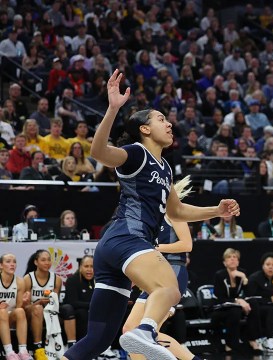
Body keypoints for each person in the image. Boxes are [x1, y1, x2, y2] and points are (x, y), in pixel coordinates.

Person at [62, 70, 240, 360]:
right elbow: (97, 151)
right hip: (127, 238)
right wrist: (113, 109)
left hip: (114, 248)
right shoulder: (135, 153)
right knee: (169, 286)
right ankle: (145, 333)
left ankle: (137, 335)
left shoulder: (165, 168)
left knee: (98, 338)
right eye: (160, 119)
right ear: (144, 129)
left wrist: (216, 211)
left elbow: (177, 211)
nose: (169, 123)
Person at [122, 176, 198, 360]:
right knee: (131, 330)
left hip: (172, 272)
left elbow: (187, 245)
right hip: (154, 274)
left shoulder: (174, 213)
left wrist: (155, 248)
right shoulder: (149, 219)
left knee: (144, 331)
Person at [212, 248, 262, 354]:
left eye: (235, 257)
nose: (232, 259)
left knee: (253, 303)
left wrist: (244, 278)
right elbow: (219, 297)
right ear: (224, 262)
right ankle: (230, 344)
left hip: (236, 306)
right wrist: (237, 301)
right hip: (221, 307)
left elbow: (249, 294)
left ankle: (252, 340)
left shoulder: (242, 273)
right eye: (229, 257)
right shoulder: (220, 275)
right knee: (235, 310)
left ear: (238, 261)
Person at [23, 249, 63, 360]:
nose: (47, 263)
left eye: (49, 260)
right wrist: (39, 302)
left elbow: (56, 304)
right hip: (30, 312)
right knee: (38, 308)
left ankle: (62, 348)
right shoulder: (28, 279)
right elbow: (24, 306)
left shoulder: (57, 279)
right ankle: (38, 348)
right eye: (43, 260)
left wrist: (51, 301)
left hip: (49, 313)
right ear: (36, 262)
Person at [0, 254, 31, 360]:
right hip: (1, 314)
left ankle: (23, 351)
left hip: (9, 317)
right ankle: (9, 352)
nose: (12, 264)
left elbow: (18, 306)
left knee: (20, 311)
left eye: (14, 262)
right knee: (2, 311)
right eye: (8, 262)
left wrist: (25, 302)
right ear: (1, 265)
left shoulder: (19, 282)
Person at [60, 255, 93, 347]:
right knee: (83, 313)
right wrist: (92, 305)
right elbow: (72, 302)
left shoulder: (98, 281)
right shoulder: (72, 280)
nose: (89, 269)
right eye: (86, 266)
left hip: (91, 310)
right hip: (74, 311)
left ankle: (108, 346)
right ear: (80, 267)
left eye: (92, 266)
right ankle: (81, 345)